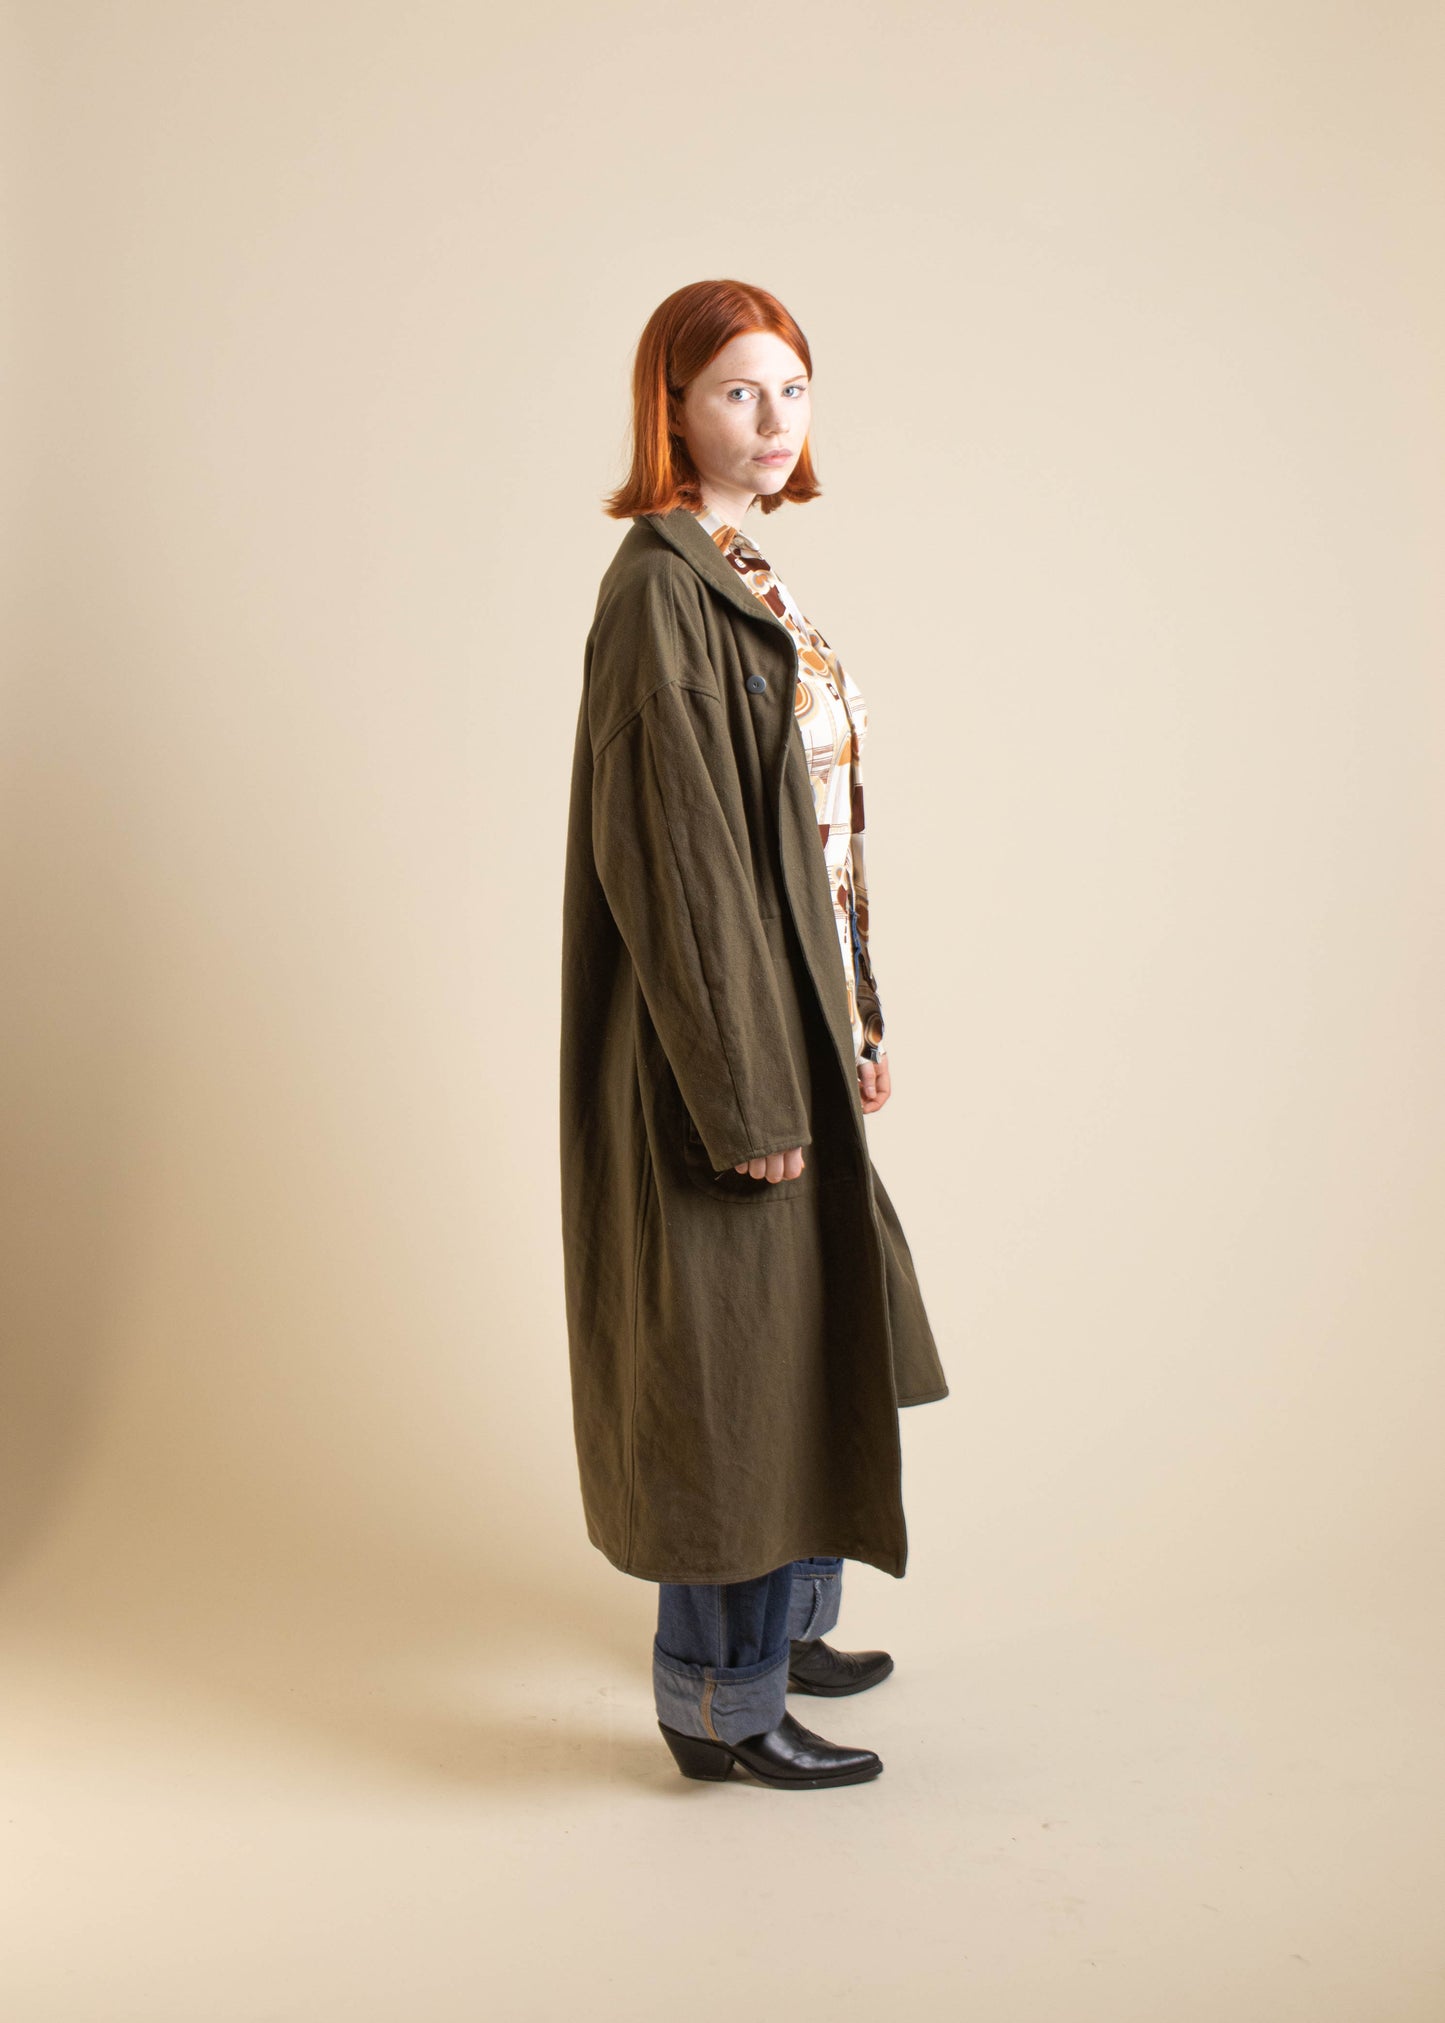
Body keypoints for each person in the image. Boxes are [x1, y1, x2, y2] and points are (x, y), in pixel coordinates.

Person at [559, 278, 949, 1790]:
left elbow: (817, 834)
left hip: (792, 1025)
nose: (774, 418)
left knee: (799, 1340)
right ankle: (719, 1705)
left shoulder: (747, 573)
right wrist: (743, 1095)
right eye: (737, 389)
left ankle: (782, 1632)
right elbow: (683, 866)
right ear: (670, 409)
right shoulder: (660, 592)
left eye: (793, 387)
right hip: (717, 1053)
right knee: (727, 1370)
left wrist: (856, 1018)